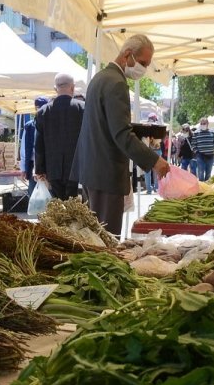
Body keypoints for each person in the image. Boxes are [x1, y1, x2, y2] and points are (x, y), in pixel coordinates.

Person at [71, 34, 170, 235]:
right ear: (127, 55)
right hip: (106, 173)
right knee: (106, 239)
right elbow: (121, 134)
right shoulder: (116, 83)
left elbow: (105, 125)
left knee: (94, 237)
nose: (143, 69)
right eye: (142, 63)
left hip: (92, 170)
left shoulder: (99, 78)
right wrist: (154, 161)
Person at [34, 76, 83, 201]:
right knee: (76, 208)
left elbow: (38, 144)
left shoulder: (43, 112)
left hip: (53, 168)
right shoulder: (83, 108)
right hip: (78, 167)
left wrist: (39, 169)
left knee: (58, 206)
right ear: (72, 87)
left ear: (55, 89)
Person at [21, 96, 47, 196]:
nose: (39, 110)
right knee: (34, 196)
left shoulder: (51, 124)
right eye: (37, 108)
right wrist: (23, 168)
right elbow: (24, 149)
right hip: (33, 166)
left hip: (48, 166)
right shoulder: (29, 126)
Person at [190, 117, 214, 181]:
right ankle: (201, 186)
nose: (203, 125)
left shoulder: (212, 132)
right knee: (200, 172)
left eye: (204, 123)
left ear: (207, 124)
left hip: (210, 156)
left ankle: (207, 186)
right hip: (200, 156)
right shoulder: (196, 133)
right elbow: (193, 144)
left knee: (208, 173)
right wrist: (197, 152)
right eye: (201, 123)